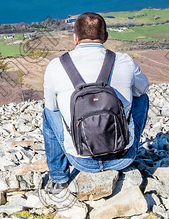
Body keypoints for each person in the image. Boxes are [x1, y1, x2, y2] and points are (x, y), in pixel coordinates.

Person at [42, 12, 150, 190]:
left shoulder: (56, 66)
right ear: (105, 37)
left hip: (80, 161)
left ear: (75, 38)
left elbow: (52, 107)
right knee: (141, 97)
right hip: (123, 157)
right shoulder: (125, 61)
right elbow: (143, 89)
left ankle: (59, 178)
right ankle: (127, 142)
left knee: (48, 112)